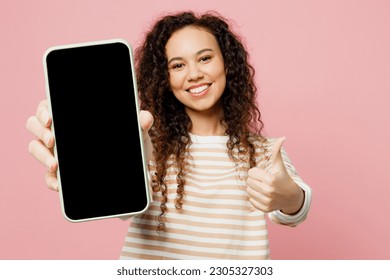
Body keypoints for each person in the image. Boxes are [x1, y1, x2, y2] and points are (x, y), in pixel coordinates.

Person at [26, 11, 312, 260]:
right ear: (164, 79)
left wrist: (288, 196)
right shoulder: (148, 142)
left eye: (205, 58)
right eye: (177, 65)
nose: (194, 73)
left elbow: (294, 209)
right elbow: (122, 206)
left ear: (227, 64)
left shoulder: (262, 150)